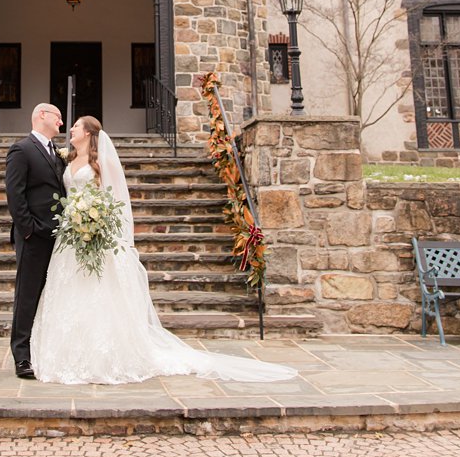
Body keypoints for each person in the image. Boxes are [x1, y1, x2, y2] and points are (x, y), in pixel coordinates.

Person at [30, 115, 298, 385]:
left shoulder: (101, 162)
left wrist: (97, 221)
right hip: (70, 235)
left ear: (88, 133)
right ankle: (70, 351)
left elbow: (114, 198)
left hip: (94, 231)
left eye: (75, 125)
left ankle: (104, 355)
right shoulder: (67, 158)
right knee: (70, 290)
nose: (70, 128)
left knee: (96, 290)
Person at [3, 102, 67, 380]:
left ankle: (45, 350)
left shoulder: (59, 153)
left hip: (60, 237)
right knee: (27, 295)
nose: (61, 123)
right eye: (58, 117)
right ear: (42, 115)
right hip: (33, 237)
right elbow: (15, 194)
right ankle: (21, 356)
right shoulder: (22, 149)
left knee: (53, 295)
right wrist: (28, 230)